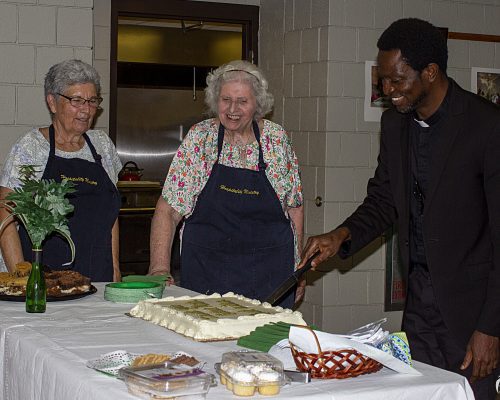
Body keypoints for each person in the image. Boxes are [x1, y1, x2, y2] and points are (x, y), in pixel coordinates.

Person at [300, 18, 500, 399]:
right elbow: (383, 200)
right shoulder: (396, 125)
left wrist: (491, 328)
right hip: (420, 304)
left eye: (396, 80)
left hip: (472, 311)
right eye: (382, 81)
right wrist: (339, 236)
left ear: (430, 72)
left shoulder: (486, 127)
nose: (387, 90)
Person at [149, 60, 304, 308]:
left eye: (242, 101)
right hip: (207, 277)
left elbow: (294, 207)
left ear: (257, 105)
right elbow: (168, 210)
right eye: (225, 100)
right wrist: (159, 268)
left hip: (270, 276)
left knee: (266, 345)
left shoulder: (276, 139)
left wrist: (297, 271)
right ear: (214, 100)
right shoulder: (201, 139)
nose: (233, 109)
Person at [0, 59, 122, 282]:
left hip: (98, 278)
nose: (86, 109)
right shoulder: (32, 147)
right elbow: (5, 215)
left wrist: (115, 271)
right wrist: (23, 278)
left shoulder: (103, 146)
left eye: (92, 100)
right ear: (52, 103)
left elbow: (110, 217)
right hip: (46, 282)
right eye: (76, 100)